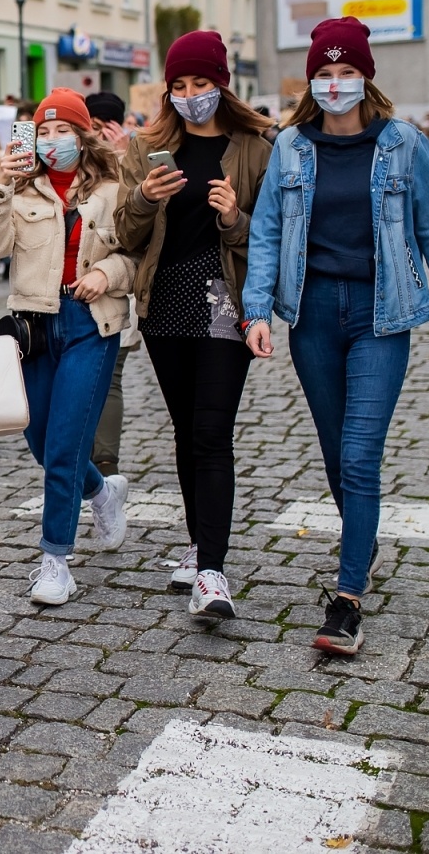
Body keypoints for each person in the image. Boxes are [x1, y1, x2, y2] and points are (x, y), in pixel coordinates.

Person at [243, 17, 429, 655]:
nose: (336, 84)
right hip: (313, 316)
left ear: (366, 76)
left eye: (347, 73)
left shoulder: (403, 144)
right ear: (311, 80)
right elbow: (265, 233)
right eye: (325, 73)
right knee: (332, 450)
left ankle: (346, 599)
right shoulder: (291, 147)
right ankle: (361, 539)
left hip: (382, 315)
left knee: (359, 454)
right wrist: (256, 309)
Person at [114, 30, 274, 620]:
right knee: (186, 431)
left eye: (201, 83)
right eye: (179, 85)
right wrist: (145, 199)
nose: (189, 95)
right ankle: (198, 541)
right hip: (166, 303)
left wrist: (235, 217)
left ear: (222, 84)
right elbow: (126, 238)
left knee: (211, 431)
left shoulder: (257, 146)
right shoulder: (147, 146)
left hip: (224, 299)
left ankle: (212, 571)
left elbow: (272, 241)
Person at [0, 89, 136, 605]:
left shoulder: (115, 189)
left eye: (62, 130)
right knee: (41, 439)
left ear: (82, 134)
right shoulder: (21, 188)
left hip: (91, 321)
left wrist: (106, 273)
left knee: (65, 445)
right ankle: (101, 491)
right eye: (42, 131)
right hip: (35, 324)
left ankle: (55, 561)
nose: (51, 140)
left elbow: (137, 257)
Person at [84, 91, 141, 479]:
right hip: (76, 287)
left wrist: (123, 157)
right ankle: (82, 452)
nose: (101, 131)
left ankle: (105, 460)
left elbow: (135, 222)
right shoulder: (76, 154)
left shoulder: (133, 154)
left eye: (107, 123)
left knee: (111, 376)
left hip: (117, 288)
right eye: (94, 123)